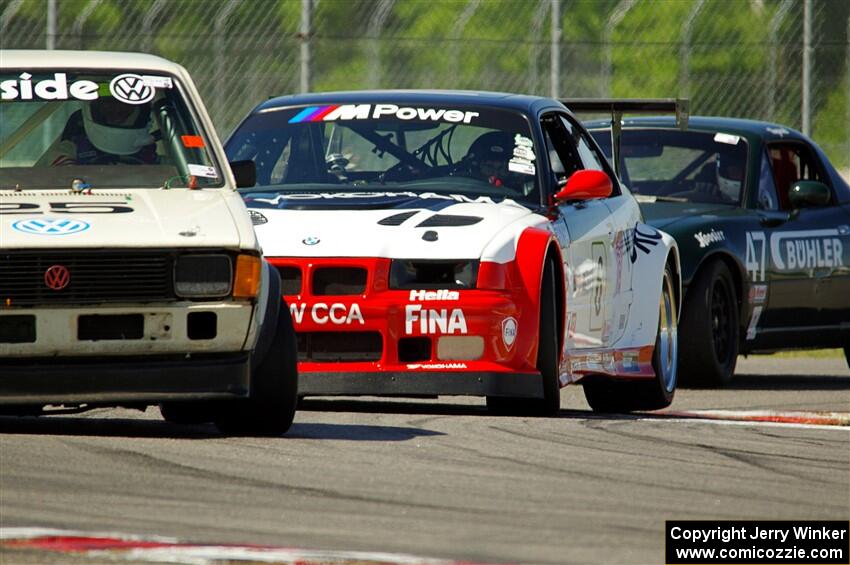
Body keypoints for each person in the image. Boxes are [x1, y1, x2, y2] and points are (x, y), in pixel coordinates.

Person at [41, 96, 158, 166]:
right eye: (108, 102)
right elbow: (61, 171)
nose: (115, 109)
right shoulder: (71, 147)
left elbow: (171, 172)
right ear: (96, 107)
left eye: (123, 103)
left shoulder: (147, 146)